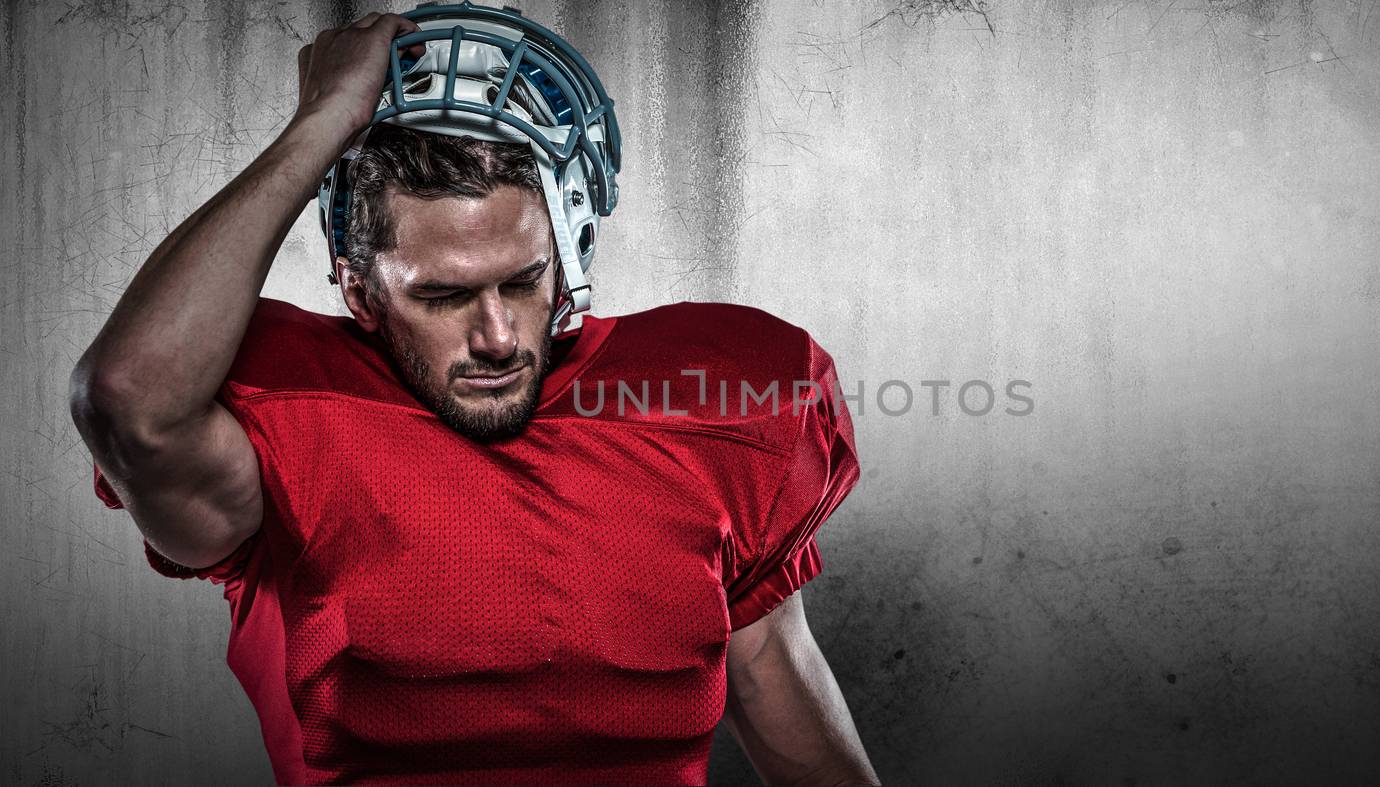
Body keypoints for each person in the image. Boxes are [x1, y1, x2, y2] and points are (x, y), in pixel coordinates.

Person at [68, 8, 879, 786]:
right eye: (444, 296)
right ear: (359, 289)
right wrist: (320, 125)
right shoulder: (284, 420)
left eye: (523, 282)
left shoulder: (711, 407)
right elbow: (128, 399)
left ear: (570, 250)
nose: (497, 335)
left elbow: (793, 719)